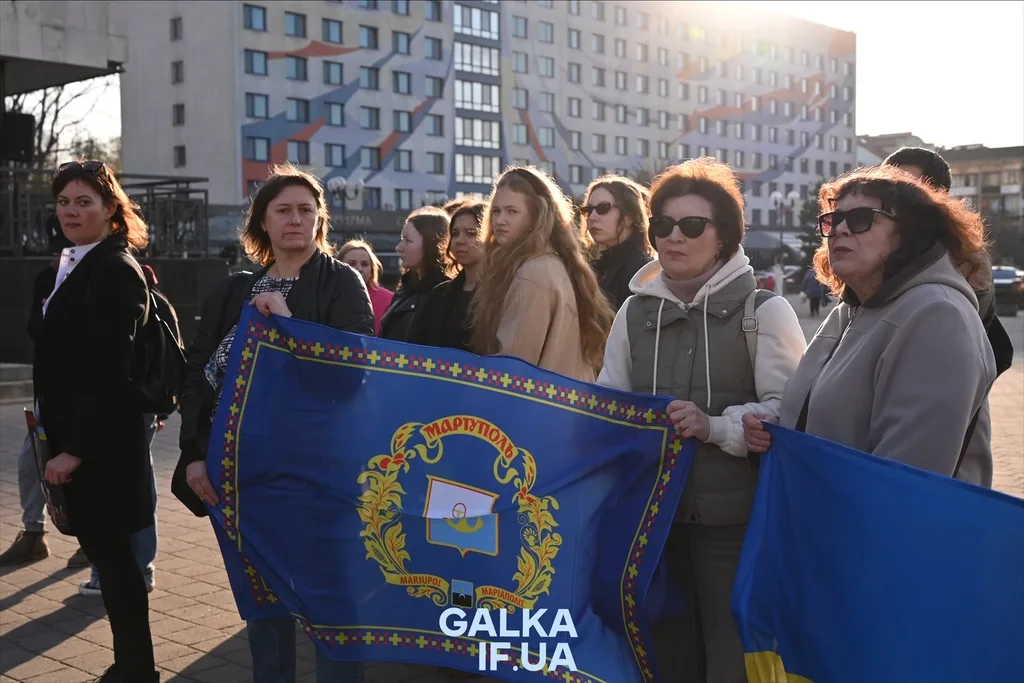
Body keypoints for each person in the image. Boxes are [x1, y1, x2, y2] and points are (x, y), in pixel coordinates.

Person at [597, 157, 807, 683]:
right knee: (662, 651)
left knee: (730, 652)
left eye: (692, 225)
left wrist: (713, 426)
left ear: (724, 236)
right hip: (650, 521)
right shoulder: (633, 313)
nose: (674, 237)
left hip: (734, 523)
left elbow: (792, 412)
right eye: (661, 225)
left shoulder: (766, 311)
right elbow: (607, 404)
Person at [176, 164, 373, 683]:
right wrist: (194, 453)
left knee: (331, 606)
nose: (295, 219)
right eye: (283, 210)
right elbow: (195, 374)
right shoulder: (233, 290)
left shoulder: (341, 282)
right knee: (265, 611)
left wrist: (286, 323)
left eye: (306, 210)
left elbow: (350, 378)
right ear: (262, 222)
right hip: (242, 474)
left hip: (319, 476)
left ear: (320, 220)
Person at [743, 165, 997, 488]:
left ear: (908, 233)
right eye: (833, 220)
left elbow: (903, 480)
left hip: (886, 533)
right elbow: (835, 421)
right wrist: (780, 430)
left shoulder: (938, 315)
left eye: (861, 219)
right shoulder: (853, 307)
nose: (840, 230)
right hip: (825, 523)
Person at [36, 159, 159, 682]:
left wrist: (75, 449)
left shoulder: (113, 268)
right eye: (64, 201)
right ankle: (133, 667)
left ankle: (136, 670)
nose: (71, 211)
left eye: (84, 201)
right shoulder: (66, 265)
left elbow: (110, 370)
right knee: (110, 561)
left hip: (104, 447)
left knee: (117, 565)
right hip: (80, 438)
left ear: (111, 209)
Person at [882, 147, 1013, 486]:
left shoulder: (961, 259)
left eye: (903, 185)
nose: (889, 196)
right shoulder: (882, 250)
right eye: (885, 185)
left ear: (935, 195)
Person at [78, 264, 178, 595]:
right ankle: (130, 567)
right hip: (137, 407)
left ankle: (119, 569)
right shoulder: (157, 300)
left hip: (129, 407)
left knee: (122, 486)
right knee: (134, 484)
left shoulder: (139, 297)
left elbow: (166, 356)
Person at [470, 166, 613, 382]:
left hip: (541, 410)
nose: (500, 220)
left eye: (512, 211)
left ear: (536, 217)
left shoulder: (533, 274)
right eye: (496, 211)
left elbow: (512, 371)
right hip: (565, 408)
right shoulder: (553, 263)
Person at [0, 225, 74, 567]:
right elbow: (34, 328)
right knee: (32, 461)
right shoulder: (46, 279)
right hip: (50, 386)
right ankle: (33, 534)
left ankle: (92, 540)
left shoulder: (109, 275)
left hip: (91, 396)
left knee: (85, 469)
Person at [411, 201, 485, 351]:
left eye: (471, 233)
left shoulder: (502, 294)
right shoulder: (439, 294)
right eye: (455, 233)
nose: (459, 240)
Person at [379, 206, 454, 342]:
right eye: (402, 239)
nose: (399, 248)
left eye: (408, 240)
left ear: (433, 244)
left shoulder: (446, 294)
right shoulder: (405, 290)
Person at [581, 175, 654, 311]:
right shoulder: (597, 267)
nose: (592, 217)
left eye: (603, 208)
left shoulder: (641, 270)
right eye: (588, 210)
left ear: (629, 217)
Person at [339, 239, 394, 336]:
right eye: (352, 263)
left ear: (372, 269)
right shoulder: (327, 295)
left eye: (364, 264)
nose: (359, 269)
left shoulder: (390, 300)